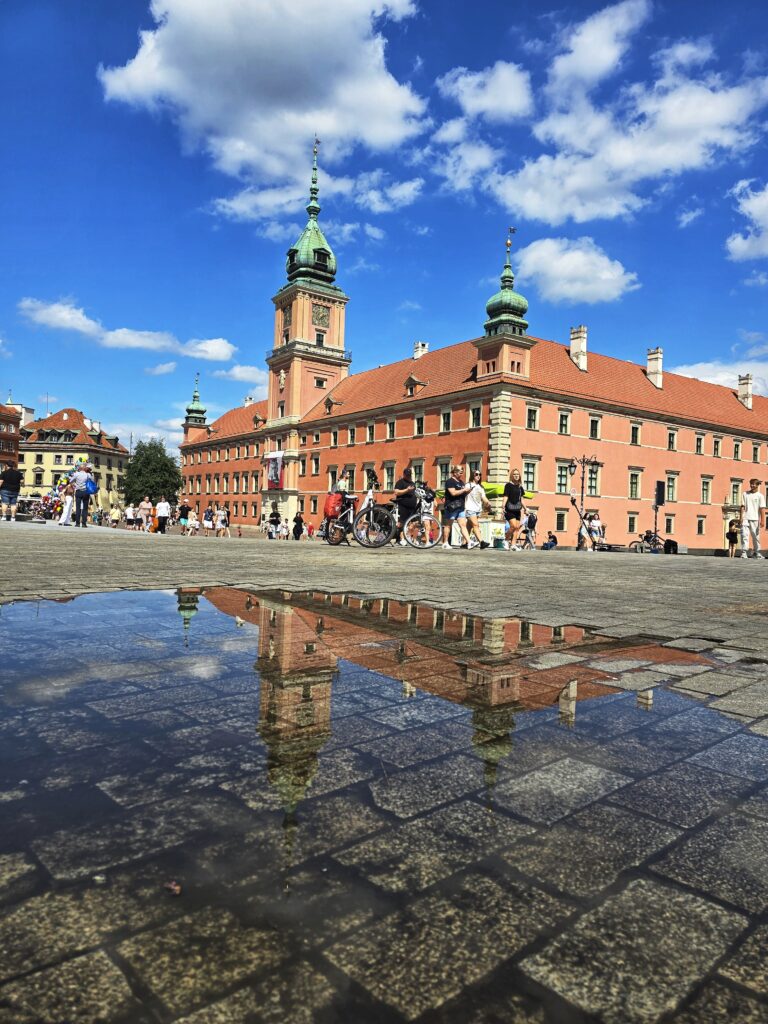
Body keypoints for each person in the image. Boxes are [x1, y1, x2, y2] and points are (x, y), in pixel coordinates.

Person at [441, 465, 472, 550]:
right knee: (448, 525)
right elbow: (453, 493)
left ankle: (469, 542)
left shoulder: (461, 482)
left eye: (462, 472)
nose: (461, 474)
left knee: (463, 525)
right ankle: (445, 542)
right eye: (460, 472)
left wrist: (468, 491)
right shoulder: (450, 481)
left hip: (460, 506)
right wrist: (464, 490)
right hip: (452, 506)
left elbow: (463, 493)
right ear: (454, 472)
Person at [463, 469, 491, 549]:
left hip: (478, 509)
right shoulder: (468, 485)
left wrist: (487, 502)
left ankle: (464, 543)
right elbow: (464, 494)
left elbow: (483, 497)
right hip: (469, 508)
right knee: (475, 525)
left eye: (479, 474)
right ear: (472, 475)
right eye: (476, 474)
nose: (478, 476)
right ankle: (481, 542)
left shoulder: (481, 487)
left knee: (469, 526)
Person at [741, 478, 766, 559]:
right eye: (751, 484)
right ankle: (744, 552)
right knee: (744, 535)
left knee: (755, 536)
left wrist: (762, 520)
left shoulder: (760, 496)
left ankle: (757, 552)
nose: (752, 485)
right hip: (746, 518)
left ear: (758, 485)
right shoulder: (745, 494)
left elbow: (762, 509)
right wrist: (741, 517)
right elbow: (742, 506)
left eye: (754, 484)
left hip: (755, 519)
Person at [393, 467, 418, 545]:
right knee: (402, 523)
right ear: (404, 474)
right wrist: (407, 490)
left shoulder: (412, 483)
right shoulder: (400, 482)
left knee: (414, 523)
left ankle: (408, 537)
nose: (408, 476)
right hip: (403, 505)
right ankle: (401, 538)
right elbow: (396, 492)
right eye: (407, 475)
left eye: (409, 475)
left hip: (412, 506)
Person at [502, 469, 525, 550]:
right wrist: (503, 506)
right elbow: (506, 496)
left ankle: (513, 545)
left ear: (519, 476)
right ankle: (505, 539)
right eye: (514, 474)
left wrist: (525, 508)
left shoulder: (520, 487)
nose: (516, 475)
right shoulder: (508, 485)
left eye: (517, 474)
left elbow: (521, 500)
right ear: (511, 475)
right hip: (509, 509)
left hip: (517, 510)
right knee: (513, 526)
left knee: (517, 528)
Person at [71, 463, 95, 528]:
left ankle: (77, 523)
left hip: (78, 491)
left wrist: (75, 485)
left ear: (79, 468)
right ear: (84, 468)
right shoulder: (88, 475)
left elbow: (70, 481)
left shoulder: (76, 474)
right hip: (86, 492)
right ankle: (84, 524)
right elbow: (93, 481)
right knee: (85, 508)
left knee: (78, 508)